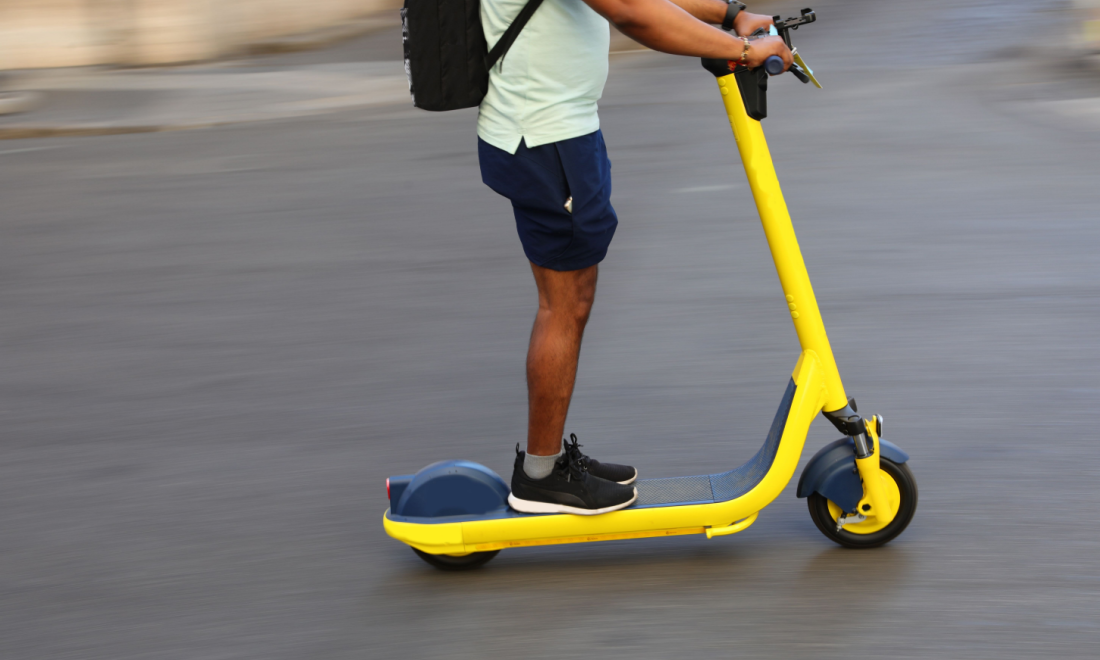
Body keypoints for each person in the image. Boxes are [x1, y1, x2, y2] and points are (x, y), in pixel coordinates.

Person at [477, 0, 792, 515]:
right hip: (545, 135)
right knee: (563, 304)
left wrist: (727, 11)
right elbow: (634, 13)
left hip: (556, 129)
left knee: (571, 300)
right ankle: (540, 475)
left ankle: (548, 462)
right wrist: (743, 49)